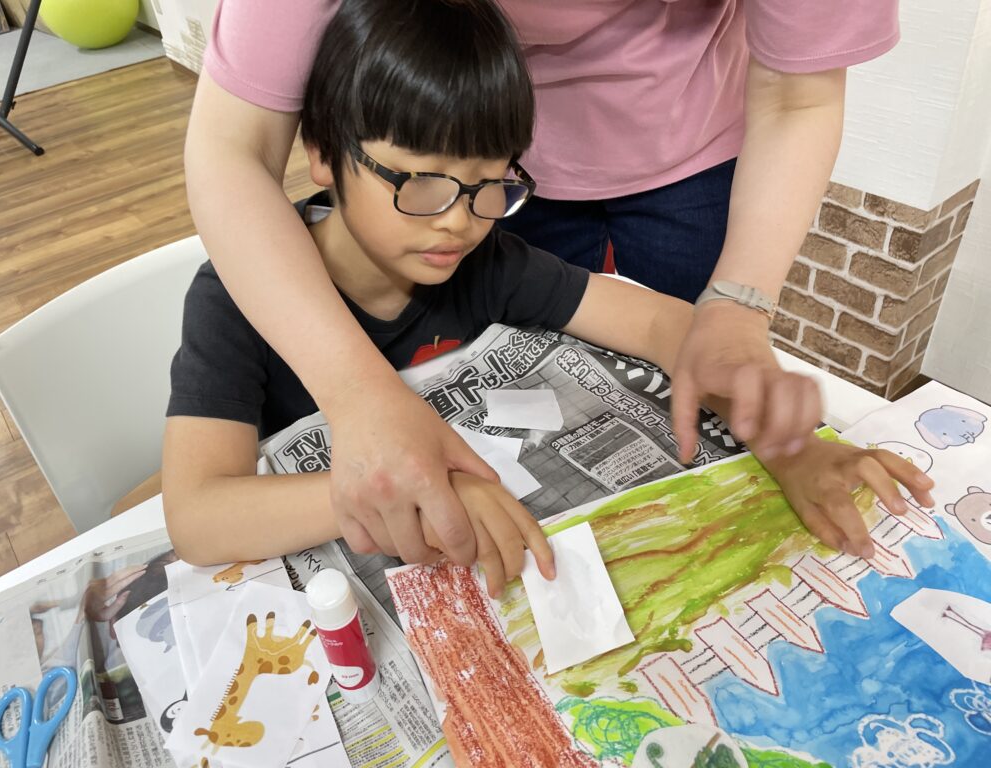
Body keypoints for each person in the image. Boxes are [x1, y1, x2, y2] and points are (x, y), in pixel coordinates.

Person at [164, 0, 934, 599]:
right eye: (421, 184)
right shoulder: (233, 303)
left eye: (490, 187)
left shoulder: (485, 260)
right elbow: (197, 519)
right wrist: (414, 487)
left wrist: (788, 440)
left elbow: (665, 323)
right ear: (323, 154)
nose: (457, 221)